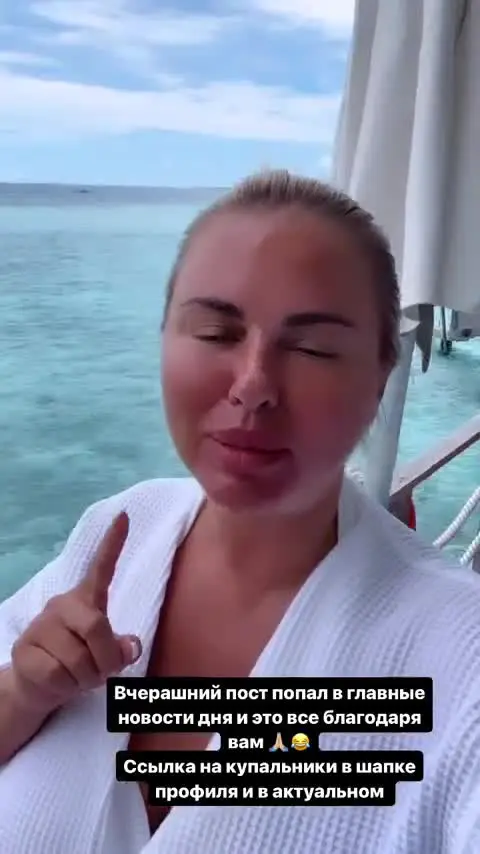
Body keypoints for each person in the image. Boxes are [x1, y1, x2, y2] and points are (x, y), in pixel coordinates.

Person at [0, 170, 479, 854]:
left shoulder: (459, 653)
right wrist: (25, 692)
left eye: (311, 348)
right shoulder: (120, 530)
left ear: (381, 376)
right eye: (216, 332)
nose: (253, 386)